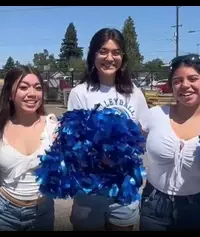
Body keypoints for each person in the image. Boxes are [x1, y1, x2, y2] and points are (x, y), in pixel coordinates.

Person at [67, 28, 149, 231]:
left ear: (123, 57)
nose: (109, 58)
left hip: (124, 186)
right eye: (103, 51)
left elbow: (143, 135)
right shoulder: (80, 93)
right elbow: (73, 141)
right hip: (89, 188)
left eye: (116, 52)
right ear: (93, 54)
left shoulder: (135, 94)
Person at [139, 54, 200, 231]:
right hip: (154, 206)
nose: (185, 85)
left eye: (193, 78)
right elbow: (128, 146)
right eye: (177, 80)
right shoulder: (155, 115)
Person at [0, 66, 57, 231]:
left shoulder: (54, 127)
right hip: (2, 213)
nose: (32, 93)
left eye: (37, 88)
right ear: (10, 94)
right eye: (23, 87)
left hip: (43, 212)